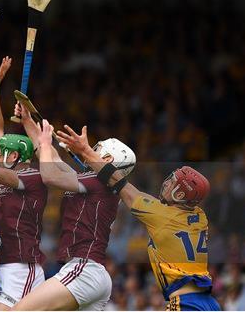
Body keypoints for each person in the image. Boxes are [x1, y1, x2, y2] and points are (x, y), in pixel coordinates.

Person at [56, 123, 221, 311]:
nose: (166, 184)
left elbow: (122, 185)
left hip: (185, 304)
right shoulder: (200, 217)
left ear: (180, 195)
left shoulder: (162, 216)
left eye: (172, 183)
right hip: (209, 303)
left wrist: (86, 151)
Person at [13, 114, 129, 311]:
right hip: (92, 273)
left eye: (98, 149)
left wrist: (46, 141)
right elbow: (49, 156)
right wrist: (28, 122)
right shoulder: (93, 183)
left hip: (84, 269)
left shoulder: (98, 182)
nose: (92, 150)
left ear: (108, 159)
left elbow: (49, 176)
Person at [0, 57, 48, 310]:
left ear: (14, 156)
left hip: (22, 268)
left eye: (0, 152)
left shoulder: (32, 176)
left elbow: (5, 176)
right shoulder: (3, 168)